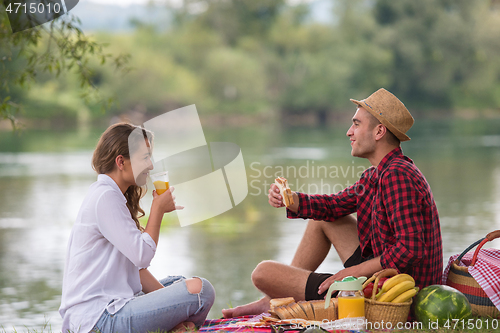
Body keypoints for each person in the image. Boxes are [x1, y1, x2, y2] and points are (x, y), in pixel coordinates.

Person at [222, 88, 443, 318]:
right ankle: (273, 300)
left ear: (379, 131)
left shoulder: (398, 175)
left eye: (356, 124)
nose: (349, 132)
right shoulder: (377, 174)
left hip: (396, 297)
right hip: (384, 274)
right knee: (322, 221)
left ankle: (277, 298)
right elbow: (332, 206)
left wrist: (349, 273)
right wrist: (291, 199)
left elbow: (411, 249)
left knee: (262, 273)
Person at [59, 123, 215, 333]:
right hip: (98, 319)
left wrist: (175, 306)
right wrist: (157, 210)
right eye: (145, 158)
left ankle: (178, 327)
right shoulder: (105, 197)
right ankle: (179, 327)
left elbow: (137, 271)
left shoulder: (110, 194)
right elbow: (142, 256)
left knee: (180, 283)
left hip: (108, 310)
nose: (151, 165)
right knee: (201, 290)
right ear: (121, 161)